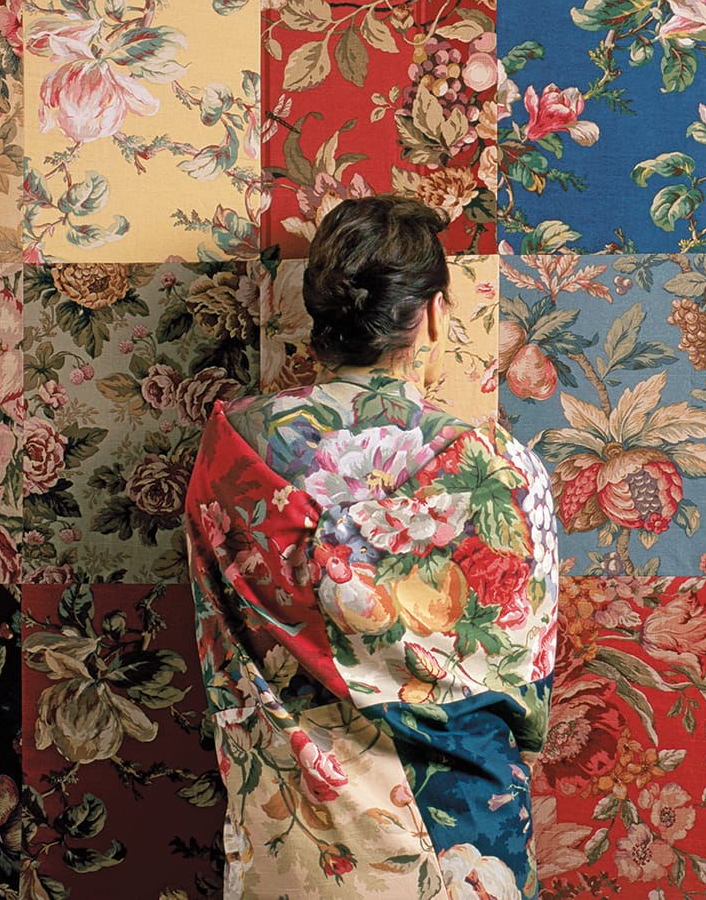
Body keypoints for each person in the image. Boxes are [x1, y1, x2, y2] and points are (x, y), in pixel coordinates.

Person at [185, 195, 558, 899]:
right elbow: (528, 685)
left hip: (296, 839)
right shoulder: (505, 469)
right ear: (436, 314)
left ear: (321, 322)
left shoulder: (230, 450)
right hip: (462, 840)